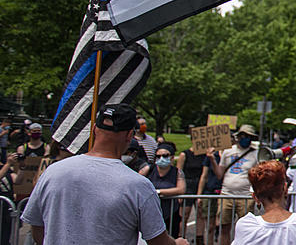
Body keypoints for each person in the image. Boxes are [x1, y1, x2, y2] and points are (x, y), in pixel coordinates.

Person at [20, 102, 189, 245]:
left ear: (94, 129)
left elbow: (38, 229)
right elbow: (157, 241)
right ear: (130, 135)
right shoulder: (138, 186)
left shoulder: (53, 172)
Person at [209, 124, 261, 245]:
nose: (245, 138)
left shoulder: (256, 153)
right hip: (226, 195)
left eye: (248, 136)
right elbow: (219, 174)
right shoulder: (228, 151)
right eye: (243, 135)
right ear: (238, 137)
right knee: (224, 227)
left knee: (246, 229)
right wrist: (212, 159)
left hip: (245, 196)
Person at [150, 141, 187, 237]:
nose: (161, 158)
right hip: (152, 212)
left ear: (172, 157)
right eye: (158, 156)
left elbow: (181, 189)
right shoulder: (149, 170)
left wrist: (159, 192)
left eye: (165, 155)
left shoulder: (177, 172)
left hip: (171, 213)